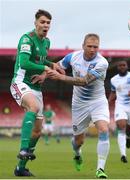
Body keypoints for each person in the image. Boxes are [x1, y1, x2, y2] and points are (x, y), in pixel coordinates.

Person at [33, 33, 110, 178]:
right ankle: (77, 153)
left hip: (97, 101)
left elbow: (85, 81)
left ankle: (100, 169)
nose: (93, 49)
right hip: (79, 104)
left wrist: (61, 77)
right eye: (89, 46)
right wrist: (44, 75)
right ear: (83, 46)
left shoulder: (102, 63)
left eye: (96, 47)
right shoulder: (72, 57)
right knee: (78, 141)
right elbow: (57, 67)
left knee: (104, 129)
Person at [10, 9, 56, 176]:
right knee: (33, 106)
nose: (45, 25)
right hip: (20, 83)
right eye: (42, 22)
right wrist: (45, 67)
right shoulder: (26, 39)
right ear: (35, 23)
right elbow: (24, 62)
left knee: (37, 132)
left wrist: (50, 66)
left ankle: (20, 168)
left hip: (36, 89)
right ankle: (23, 149)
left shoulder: (47, 42)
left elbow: (40, 60)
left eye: (48, 23)